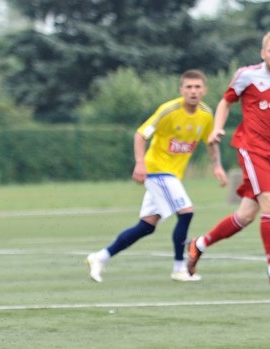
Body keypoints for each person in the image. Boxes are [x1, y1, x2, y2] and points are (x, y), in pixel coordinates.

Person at [187, 30, 270, 285]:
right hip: (250, 147)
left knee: (245, 215)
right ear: (263, 53)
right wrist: (217, 128)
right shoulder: (247, 75)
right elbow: (225, 102)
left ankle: (199, 244)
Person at [86, 70, 227, 283]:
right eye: (188, 87)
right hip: (157, 170)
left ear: (204, 90)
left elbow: (211, 142)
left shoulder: (206, 114)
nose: (193, 91)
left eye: (197, 87)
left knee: (147, 226)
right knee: (186, 213)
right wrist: (140, 164)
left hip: (172, 176)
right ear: (181, 90)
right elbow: (141, 134)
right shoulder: (169, 110)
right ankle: (180, 268)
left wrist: (217, 166)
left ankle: (100, 257)